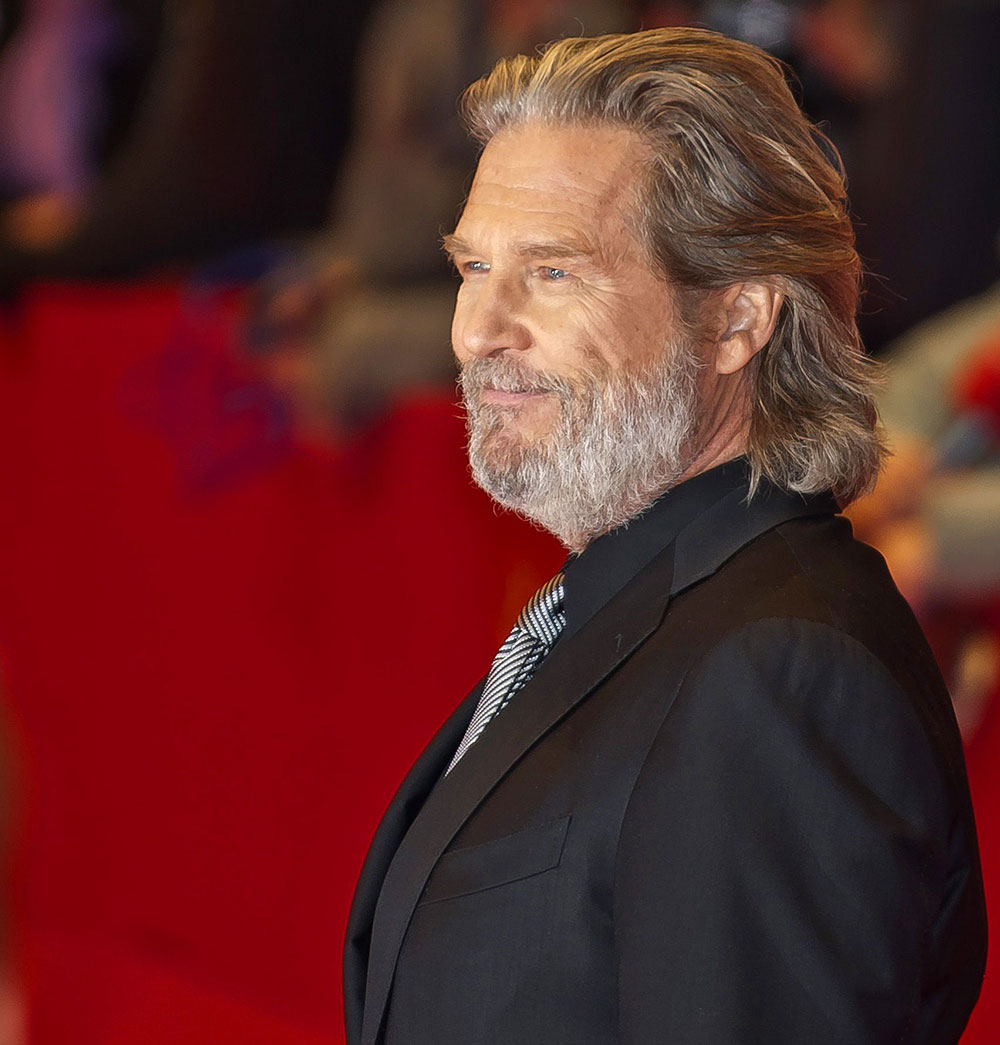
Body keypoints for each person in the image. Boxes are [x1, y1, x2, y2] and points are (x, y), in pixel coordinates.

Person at [344, 27, 987, 1044]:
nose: (477, 330)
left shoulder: (777, 671)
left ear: (737, 319)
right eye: (474, 265)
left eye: (551, 273)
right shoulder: (641, 601)